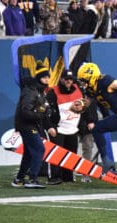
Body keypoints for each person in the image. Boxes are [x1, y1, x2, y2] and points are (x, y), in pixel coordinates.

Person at [11, 60, 53, 188]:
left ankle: (19, 179)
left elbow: (40, 109)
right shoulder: (31, 91)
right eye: (45, 77)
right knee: (39, 149)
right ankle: (33, 179)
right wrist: (41, 115)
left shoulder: (40, 92)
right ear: (39, 78)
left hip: (31, 125)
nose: (47, 80)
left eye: (48, 77)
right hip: (27, 125)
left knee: (29, 153)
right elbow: (25, 112)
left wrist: (47, 112)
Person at [45, 69, 86, 184]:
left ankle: (68, 177)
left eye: (70, 79)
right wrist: (50, 127)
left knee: (71, 155)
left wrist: (84, 124)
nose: (68, 81)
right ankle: (54, 177)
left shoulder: (79, 90)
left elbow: (85, 108)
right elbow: (46, 113)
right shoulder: (53, 92)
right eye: (66, 79)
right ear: (61, 79)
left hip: (73, 129)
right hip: (58, 129)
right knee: (55, 154)